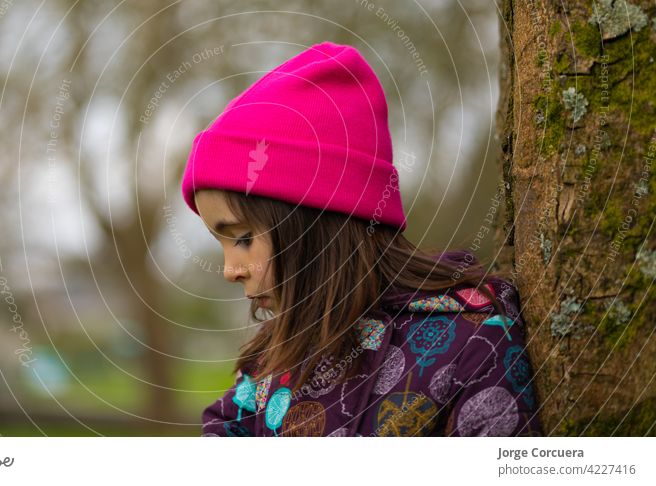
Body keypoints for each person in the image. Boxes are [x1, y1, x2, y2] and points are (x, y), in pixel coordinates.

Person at [180, 41, 542, 437]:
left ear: (319, 222)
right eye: (222, 243)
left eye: (244, 238)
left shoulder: (472, 348)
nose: (231, 271)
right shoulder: (273, 363)